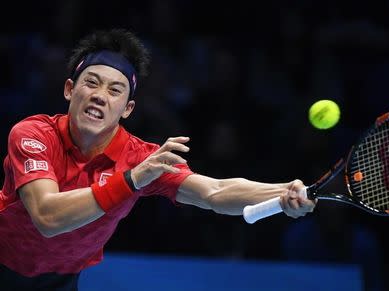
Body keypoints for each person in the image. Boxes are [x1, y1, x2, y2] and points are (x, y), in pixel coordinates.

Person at [0, 28, 316, 291]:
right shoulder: (34, 134)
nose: (99, 95)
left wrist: (282, 191)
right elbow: (47, 217)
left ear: (127, 109)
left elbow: (214, 192)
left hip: (62, 280)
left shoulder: (142, 157)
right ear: (70, 89)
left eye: (115, 90)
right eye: (91, 82)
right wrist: (132, 180)